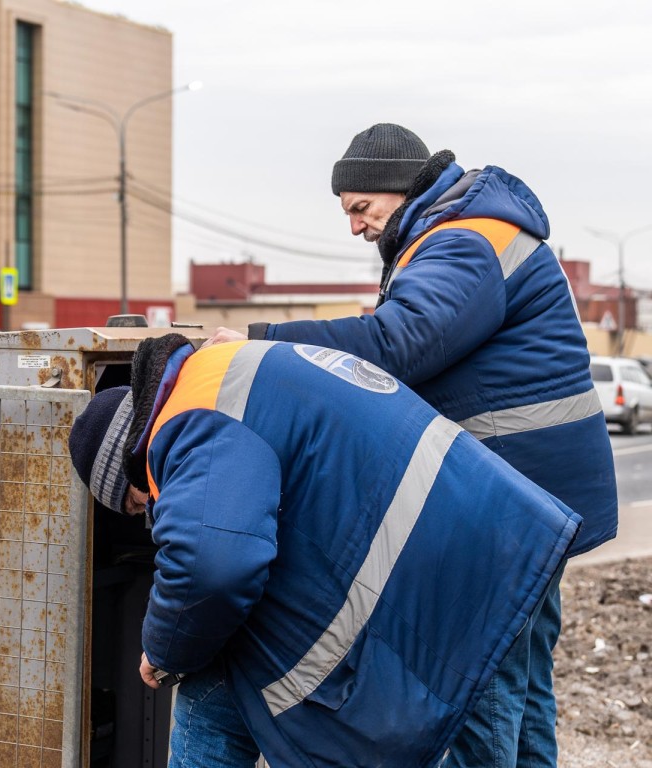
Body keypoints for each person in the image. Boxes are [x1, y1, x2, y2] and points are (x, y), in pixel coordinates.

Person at [203, 123, 618, 767]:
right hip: (537, 488)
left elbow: (402, 342)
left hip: (506, 497)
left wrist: (262, 341)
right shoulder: (464, 231)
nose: (356, 227)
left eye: (361, 209)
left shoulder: (460, 241)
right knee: (525, 675)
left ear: (399, 190)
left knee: (487, 676)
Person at [69, 332, 580, 768]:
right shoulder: (223, 371)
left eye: (137, 507)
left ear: (128, 474)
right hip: (501, 530)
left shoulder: (185, 422)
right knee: (512, 735)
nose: (149, 511)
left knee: (484, 746)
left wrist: (164, 650)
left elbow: (213, 566)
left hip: (470, 568)